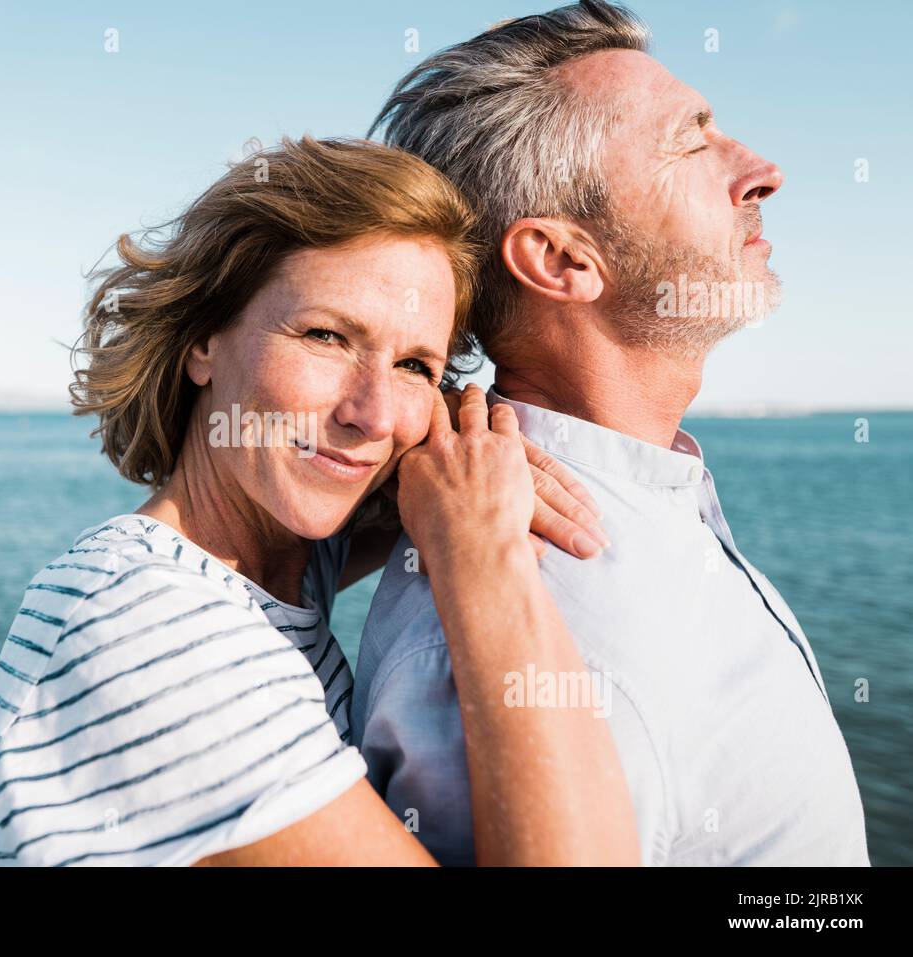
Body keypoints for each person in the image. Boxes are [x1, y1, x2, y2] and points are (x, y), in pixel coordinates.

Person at [0, 135, 637, 866]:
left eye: (414, 364)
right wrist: (483, 557)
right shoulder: (145, 620)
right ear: (202, 340)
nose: (373, 415)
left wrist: (462, 441)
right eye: (326, 335)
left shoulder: (274, 563)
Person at [353, 0, 869, 865]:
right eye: (692, 142)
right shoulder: (522, 641)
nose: (763, 171)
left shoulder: (641, 501)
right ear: (560, 259)